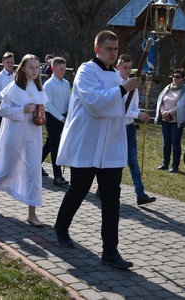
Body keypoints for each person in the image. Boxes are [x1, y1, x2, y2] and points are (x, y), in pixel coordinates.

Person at [54, 30, 140, 269]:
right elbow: (94, 104)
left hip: (110, 147)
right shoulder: (85, 71)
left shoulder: (116, 75)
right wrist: (124, 89)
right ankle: (61, 227)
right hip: (88, 145)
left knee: (112, 200)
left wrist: (129, 94)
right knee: (79, 190)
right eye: (108, 48)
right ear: (97, 49)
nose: (113, 53)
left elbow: (121, 109)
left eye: (115, 49)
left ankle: (110, 251)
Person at [0, 54, 48, 226]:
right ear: (24, 69)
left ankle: (32, 213)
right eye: (31, 67)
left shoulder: (39, 89)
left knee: (34, 170)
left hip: (33, 134)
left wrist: (40, 114)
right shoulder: (13, 87)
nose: (35, 71)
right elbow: (3, 111)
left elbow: (42, 110)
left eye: (37, 68)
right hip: (15, 133)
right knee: (8, 167)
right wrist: (23, 110)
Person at [117, 55, 157, 205]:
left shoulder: (133, 85)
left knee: (133, 161)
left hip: (129, 128)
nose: (127, 71)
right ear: (118, 67)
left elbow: (133, 107)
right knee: (117, 162)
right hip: (118, 128)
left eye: (129, 67)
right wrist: (137, 114)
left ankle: (140, 193)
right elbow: (120, 109)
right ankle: (106, 189)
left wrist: (140, 113)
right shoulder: (116, 84)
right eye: (124, 67)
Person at [154, 68, 185, 172]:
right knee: (166, 142)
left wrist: (170, 112)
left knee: (175, 142)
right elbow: (160, 101)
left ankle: (175, 165)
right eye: (174, 76)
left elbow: (183, 104)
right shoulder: (167, 88)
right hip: (165, 120)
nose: (175, 78)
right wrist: (163, 112)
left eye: (178, 77)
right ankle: (165, 163)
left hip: (176, 121)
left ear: (182, 78)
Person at [41, 56, 70, 186]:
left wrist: (69, 112)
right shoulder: (48, 85)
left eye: (64, 69)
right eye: (60, 69)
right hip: (52, 117)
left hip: (63, 116)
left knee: (50, 143)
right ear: (53, 69)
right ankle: (57, 176)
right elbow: (49, 105)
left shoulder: (66, 83)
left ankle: (34, 164)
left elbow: (68, 100)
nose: (63, 72)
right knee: (55, 145)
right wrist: (61, 118)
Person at [0, 52, 15, 158]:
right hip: (0, 103)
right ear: (3, 63)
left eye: (12, 62)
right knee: (1, 126)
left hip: (12, 104)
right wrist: (6, 97)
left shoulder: (15, 76)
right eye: (8, 62)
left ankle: (5, 148)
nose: (10, 64)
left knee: (8, 127)